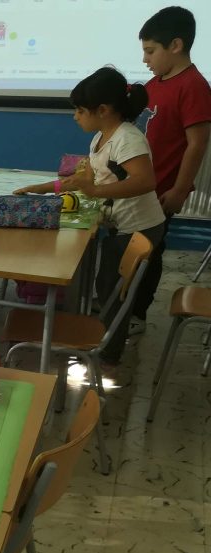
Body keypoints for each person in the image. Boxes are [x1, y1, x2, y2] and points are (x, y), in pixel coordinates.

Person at [15, 67, 165, 364]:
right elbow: (83, 180)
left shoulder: (127, 139)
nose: (75, 117)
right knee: (107, 285)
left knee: (112, 290)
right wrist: (42, 188)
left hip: (138, 228)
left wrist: (95, 192)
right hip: (122, 227)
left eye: (80, 111)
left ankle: (108, 354)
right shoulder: (100, 137)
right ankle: (106, 339)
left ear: (103, 110)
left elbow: (145, 181)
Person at [133, 6, 211, 334]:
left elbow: (197, 144)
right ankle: (121, 301)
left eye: (151, 51)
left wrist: (179, 189)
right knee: (131, 250)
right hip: (139, 187)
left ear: (176, 45)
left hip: (162, 190)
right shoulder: (155, 83)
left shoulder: (193, 86)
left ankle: (135, 314)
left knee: (149, 253)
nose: (145, 59)